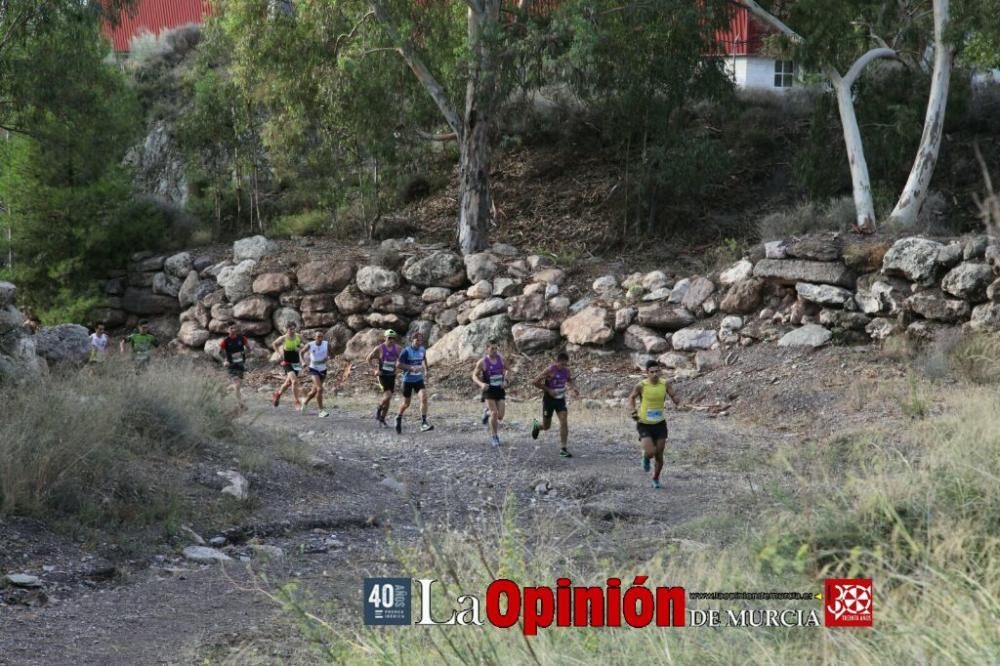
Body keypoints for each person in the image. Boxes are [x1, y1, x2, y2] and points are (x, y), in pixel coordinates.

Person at [627, 359, 686, 489]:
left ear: (660, 371)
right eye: (652, 372)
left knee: (659, 454)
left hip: (660, 424)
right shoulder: (641, 385)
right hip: (644, 423)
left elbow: (673, 395)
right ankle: (646, 457)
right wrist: (632, 410)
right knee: (651, 452)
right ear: (647, 373)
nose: (655, 374)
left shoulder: (665, 384)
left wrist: (678, 403)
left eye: (657, 371)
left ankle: (655, 478)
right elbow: (631, 397)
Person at [531, 352, 580, 458]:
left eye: (565, 364)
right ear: (557, 362)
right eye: (561, 364)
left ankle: (563, 449)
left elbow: (569, 380)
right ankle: (537, 426)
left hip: (560, 400)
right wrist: (548, 390)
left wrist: (574, 388)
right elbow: (534, 381)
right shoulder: (550, 370)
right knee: (546, 426)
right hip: (549, 400)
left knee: (564, 420)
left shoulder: (566, 371)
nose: (563, 366)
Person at [395, 331, 433, 433]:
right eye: (417, 340)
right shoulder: (406, 351)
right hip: (407, 381)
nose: (419, 342)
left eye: (421, 340)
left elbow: (424, 359)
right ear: (412, 340)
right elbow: (398, 364)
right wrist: (410, 368)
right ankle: (398, 417)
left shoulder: (422, 349)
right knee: (406, 404)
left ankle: (424, 423)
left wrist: (426, 371)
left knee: (424, 398)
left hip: (418, 380)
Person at [472, 339, 508, 447]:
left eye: (496, 348)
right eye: (492, 348)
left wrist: (505, 380)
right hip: (489, 390)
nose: (494, 350)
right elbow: (474, 376)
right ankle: (494, 437)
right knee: (494, 413)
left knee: (500, 416)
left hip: (499, 390)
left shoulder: (501, 360)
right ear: (487, 349)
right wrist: (481, 384)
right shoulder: (482, 362)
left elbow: (507, 370)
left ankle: (486, 413)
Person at [366, 329, 401, 426]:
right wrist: (375, 370)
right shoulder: (379, 348)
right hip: (382, 376)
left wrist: (399, 367)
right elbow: (368, 359)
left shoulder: (398, 348)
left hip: (392, 376)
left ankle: (382, 418)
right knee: (388, 396)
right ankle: (378, 409)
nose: (392, 340)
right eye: (389, 338)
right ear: (385, 338)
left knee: (388, 399)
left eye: (393, 338)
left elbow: (401, 360)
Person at [271, 322, 304, 411]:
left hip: (296, 363)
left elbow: (304, 346)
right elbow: (274, 344)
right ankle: (297, 402)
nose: (292, 331)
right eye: (290, 329)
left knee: (288, 383)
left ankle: (278, 394)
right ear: (286, 329)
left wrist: (300, 348)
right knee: (294, 382)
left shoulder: (299, 336)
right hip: (287, 362)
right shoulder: (283, 338)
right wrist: (278, 353)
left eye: (293, 329)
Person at [219, 323, 251, 411]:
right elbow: (220, 353)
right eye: (231, 328)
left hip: (240, 365)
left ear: (237, 329)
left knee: (238, 385)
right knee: (237, 385)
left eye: (234, 328)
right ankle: (241, 404)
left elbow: (249, 349)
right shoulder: (225, 341)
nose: (233, 330)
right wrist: (224, 361)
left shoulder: (242, 338)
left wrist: (244, 354)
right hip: (231, 365)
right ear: (228, 330)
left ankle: (224, 391)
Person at [301, 329, 331, 418]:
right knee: (320, 389)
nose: (320, 338)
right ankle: (321, 411)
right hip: (313, 368)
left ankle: (305, 402)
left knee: (314, 391)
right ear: (314, 337)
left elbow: (331, 354)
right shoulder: (310, 345)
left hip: (323, 369)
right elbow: (301, 352)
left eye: (321, 336)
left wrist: (328, 357)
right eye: (318, 336)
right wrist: (302, 361)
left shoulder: (326, 344)